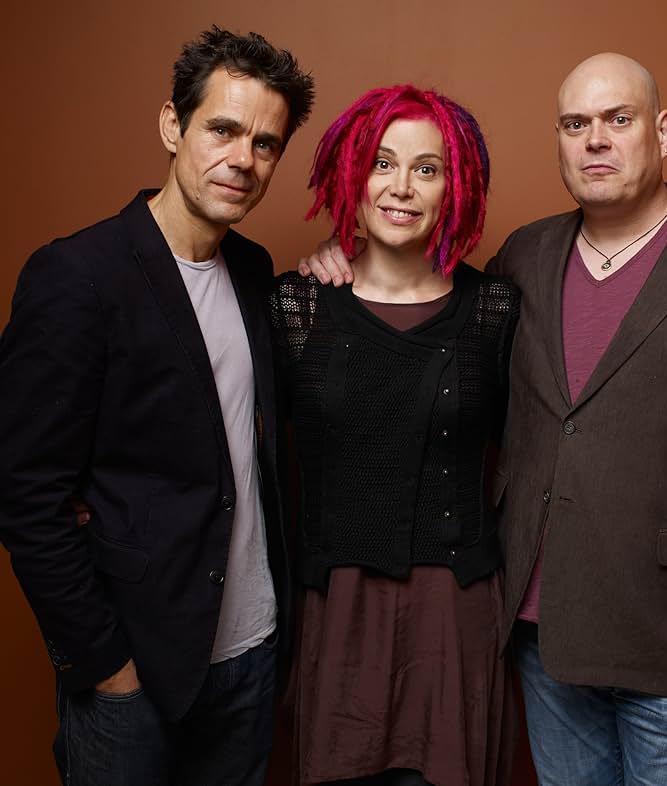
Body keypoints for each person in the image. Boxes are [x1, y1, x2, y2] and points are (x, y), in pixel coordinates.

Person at [299, 53, 667, 786]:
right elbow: (422, 340)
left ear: (662, 131)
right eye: (576, 124)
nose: (595, 140)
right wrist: (341, 254)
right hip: (543, 638)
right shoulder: (524, 260)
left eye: (619, 119)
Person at [0, 26, 313, 786]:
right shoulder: (78, 275)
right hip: (133, 673)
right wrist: (105, 664)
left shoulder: (252, 268)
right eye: (224, 129)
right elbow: (22, 489)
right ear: (173, 126)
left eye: (266, 143)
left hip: (251, 653)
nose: (243, 158)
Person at [271, 85, 519, 786]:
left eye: (427, 168)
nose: (401, 187)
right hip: (337, 609)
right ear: (353, 175)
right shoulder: (296, 306)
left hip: (455, 615)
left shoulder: (496, 309)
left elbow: (538, 454)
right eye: (382, 163)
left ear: (455, 186)